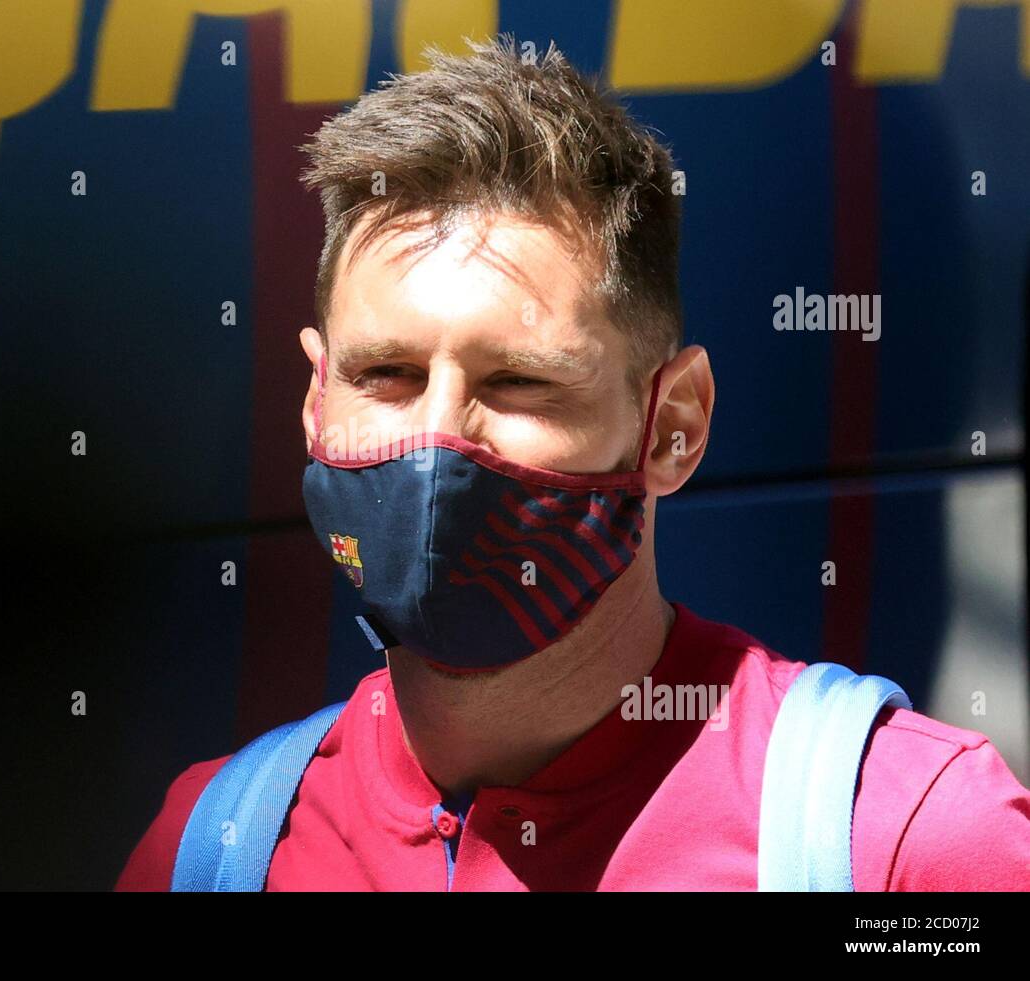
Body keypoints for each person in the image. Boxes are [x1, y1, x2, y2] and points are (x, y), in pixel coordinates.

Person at [116, 35, 1030, 891]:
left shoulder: (908, 838)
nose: (439, 443)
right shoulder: (215, 846)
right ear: (317, 403)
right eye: (386, 374)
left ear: (674, 424)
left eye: (517, 383)